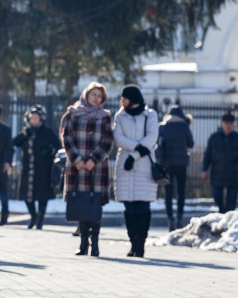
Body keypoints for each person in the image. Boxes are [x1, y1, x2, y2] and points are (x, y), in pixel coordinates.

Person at [60, 82, 113, 257]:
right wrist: (77, 160)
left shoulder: (105, 117)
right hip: (77, 167)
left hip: (97, 167)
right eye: (93, 95)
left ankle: (95, 243)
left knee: (95, 205)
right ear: (86, 95)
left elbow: (107, 141)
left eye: (99, 96)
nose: (96, 98)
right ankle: (83, 243)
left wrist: (93, 159)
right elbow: (66, 137)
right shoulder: (72, 113)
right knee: (80, 204)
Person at [113, 85, 158, 258]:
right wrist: (136, 148)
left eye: (124, 98)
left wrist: (135, 155)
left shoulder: (150, 115)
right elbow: (118, 138)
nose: (122, 101)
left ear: (132, 98)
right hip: (125, 165)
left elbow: (152, 137)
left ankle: (141, 244)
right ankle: (133, 242)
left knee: (143, 207)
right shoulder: (120, 116)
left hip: (144, 164)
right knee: (129, 208)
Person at [13, 105, 61, 229]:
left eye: (36, 118)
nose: (34, 120)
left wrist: (49, 151)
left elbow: (58, 146)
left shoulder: (47, 132)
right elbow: (15, 142)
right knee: (27, 196)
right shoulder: (26, 131)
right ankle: (33, 216)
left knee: (42, 195)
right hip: (28, 169)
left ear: (41, 119)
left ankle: (40, 219)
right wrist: (25, 134)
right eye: (32, 118)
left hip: (43, 169)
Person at [202, 112, 238, 214]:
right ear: (222, 124)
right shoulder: (214, 137)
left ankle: (227, 219)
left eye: (230, 123)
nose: (228, 125)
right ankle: (222, 213)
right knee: (217, 197)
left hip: (233, 174)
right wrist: (204, 169)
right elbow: (208, 154)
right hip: (217, 173)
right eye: (226, 123)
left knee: (231, 205)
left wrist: (236, 155)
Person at [157, 105, 194, 230]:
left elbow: (159, 144)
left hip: (167, 163)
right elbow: (191, 143)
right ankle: (179, 218)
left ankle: (170, 219)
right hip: (181, 163)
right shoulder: (184, 126)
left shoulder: (163, 126)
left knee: (168, 192)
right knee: (181, 191)